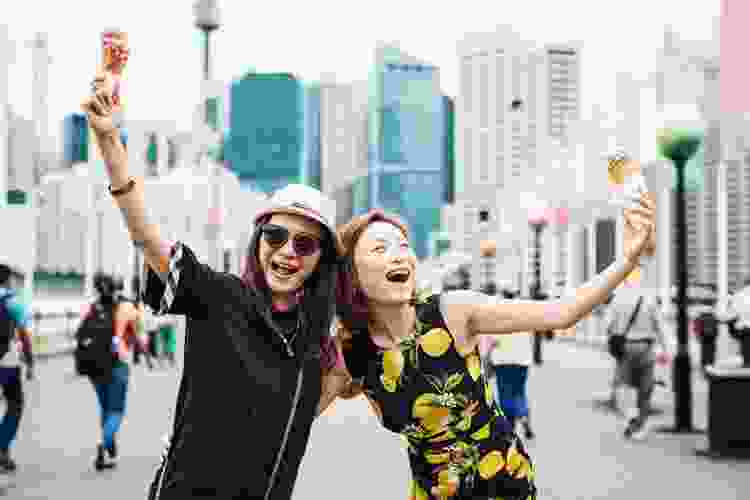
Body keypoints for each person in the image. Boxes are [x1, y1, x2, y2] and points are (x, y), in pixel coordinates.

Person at [81, 72, 347, 499]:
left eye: (305, 243)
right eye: (275, 236)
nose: (287, 252)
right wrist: (112, 145)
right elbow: (149, 239)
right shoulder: (218, 295)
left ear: (322, 260)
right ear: (258, 239)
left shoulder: (317, 345)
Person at [321, 195, 654, 499]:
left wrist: (627, 260)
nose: (399, 255)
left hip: (500, 483)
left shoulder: (451, 312)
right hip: (432, 492)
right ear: (351, 274)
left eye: (404, 245)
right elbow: (290, 417)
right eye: (380, 249)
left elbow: (562, 312)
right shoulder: (351, 351)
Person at [77, 272, 141, 470]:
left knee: (105, 408)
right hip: (117, 363)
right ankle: (103, 443)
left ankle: (109, 448)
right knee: (116, 411)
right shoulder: (127, 307)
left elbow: (80, 334)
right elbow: (139, 333)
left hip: (94, 366)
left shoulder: (91, 307)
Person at [603, 286, 669, 441]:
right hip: (646, 347)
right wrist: (665, 349)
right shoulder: (649, 299)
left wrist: (614, 336)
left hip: (625, 347)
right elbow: (660, 325)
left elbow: (608, 325)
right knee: (645, 387)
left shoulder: (617, 300)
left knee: (624, 385)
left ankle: (629, 416)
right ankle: (640, 426)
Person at [480, 288, 535, 440]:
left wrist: (485, 359)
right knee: (519, 391)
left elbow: (490, 341)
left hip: (503, 360)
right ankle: (523, 415)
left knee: (505, 394)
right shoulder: (523, 314)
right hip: (522, 360)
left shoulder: (496, 315)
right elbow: (530, 336)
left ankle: (509, 428)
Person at [0, 263, 34, 473]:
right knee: (15, 405)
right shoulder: (13, 301)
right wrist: (30, 361)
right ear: (7, 280)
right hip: (7, 361)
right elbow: (24, 334)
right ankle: (2, 447)